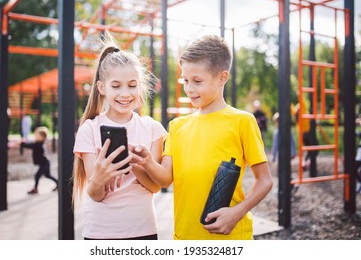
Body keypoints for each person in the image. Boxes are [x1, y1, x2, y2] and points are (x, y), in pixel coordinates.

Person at [130, 35, 273, 240]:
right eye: (185, 80)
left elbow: (265, 181)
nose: (189, 88)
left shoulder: (243, 121)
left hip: (230, 238)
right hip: (185, 237)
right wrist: (145, 160)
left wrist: (236, 213)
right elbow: (165, 180)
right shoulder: (177, 126)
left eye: (197, 81)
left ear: (222, 77)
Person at [72, 34, 167, 240]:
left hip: (144, 230)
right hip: (100, 233)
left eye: (132, 85)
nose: (125, 93)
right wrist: (101, 175)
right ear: (102, 88)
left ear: (140, 87)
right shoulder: (89, 129)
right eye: (116, 86)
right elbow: (96, 194)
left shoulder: (152, 128)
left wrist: (139, 165)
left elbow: (155, 187)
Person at [21, 126, 58, 194]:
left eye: (37, 135)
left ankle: (35, 189)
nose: (35, 136)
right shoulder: (38, 143)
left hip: (45, 163)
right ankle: (58, 183)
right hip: (45, 163)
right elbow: (32, 144)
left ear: (42, 136)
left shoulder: (39, 144)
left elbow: (31, 145)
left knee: (37, 175)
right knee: (48, 175)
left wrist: (22, 143)